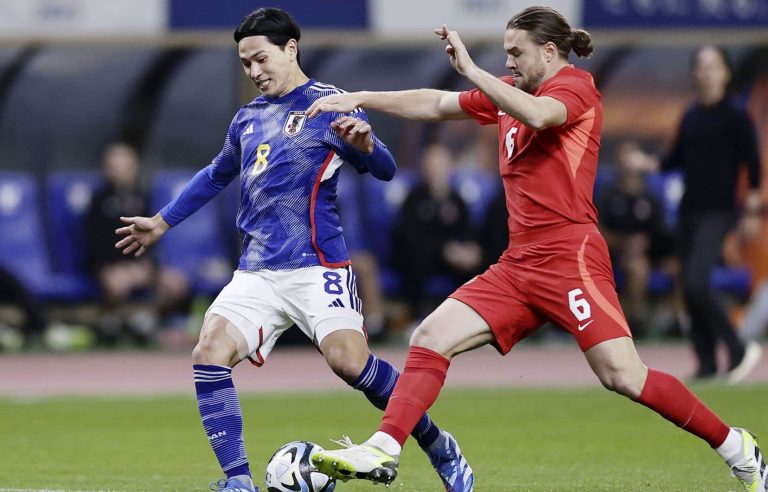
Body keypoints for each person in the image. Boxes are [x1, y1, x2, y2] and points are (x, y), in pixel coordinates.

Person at [306, 7, 766, 491]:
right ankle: (384, 447)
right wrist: (361, 97)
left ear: (549, 52)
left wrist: (474, 72)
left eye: (516, 54)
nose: (509, 64)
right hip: (518, 263)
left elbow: (541, 116)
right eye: (505, 55)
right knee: (429, 337)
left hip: (571, 258)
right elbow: (436, 103)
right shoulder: (510, 94)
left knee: (624, 376)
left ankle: (736, 446)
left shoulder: (574, 87)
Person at [115, 8, 473, 492]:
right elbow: (217, 174)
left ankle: (438, 445)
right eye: (245, 63)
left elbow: (385, 169)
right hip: (257, 272)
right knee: (208, 351)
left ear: (290, 49)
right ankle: (237, 481)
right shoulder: (248, 117)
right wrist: (161, 221)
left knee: (350, 363)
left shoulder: (330, 105)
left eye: (260, 58)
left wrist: (367, 146)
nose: (254, 71)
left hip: (317, 265)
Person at [661, 45, 763, 382]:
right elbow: (674, 159)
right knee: (687, 287)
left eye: (712, 66)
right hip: (690, 208)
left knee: (697, 280)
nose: (705, 72)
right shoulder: (691, 115)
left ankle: (737, 347)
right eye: (700, 66)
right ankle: (706, 361)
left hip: (720, 211)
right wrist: (648, 163)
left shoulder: (735, 114)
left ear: (726, 73)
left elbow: (753, 162)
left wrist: (751, 203)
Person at [86, 142, 190, 346]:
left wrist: (148, 266)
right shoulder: (98, 200)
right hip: (110, 265)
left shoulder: (142, 197)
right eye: (115, 165)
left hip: (141, 264)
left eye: (125, 165)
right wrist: (119, 266)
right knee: (117, 283)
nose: (120, 170)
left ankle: (145, 320)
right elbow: (94, 242)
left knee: (176, 284)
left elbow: (153, 236)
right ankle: (111, 322)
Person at [392, 143, 482, 321]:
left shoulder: (456, 199)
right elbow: (409, 237)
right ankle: (416, 317)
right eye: (432, 166)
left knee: (476, 265)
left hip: (451, 259)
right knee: (414, 263)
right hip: (421, 257)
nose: (437, 171)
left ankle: (471, 318)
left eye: (441, 166)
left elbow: (466, 231)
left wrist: (471, 249)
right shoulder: (414, 197)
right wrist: (444, 250)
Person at [598, 140, 676, 336]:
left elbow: (660, 232)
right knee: (637, 267)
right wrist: (624, 244)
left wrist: (649, 245)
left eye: (634, 155)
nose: (630, 161)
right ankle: (633, 320)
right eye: (626, 155)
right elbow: (597, 229)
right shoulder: (609, 193)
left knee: (680, 266)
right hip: (614, 253)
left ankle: (676, 320)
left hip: (649, 252)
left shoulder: (651, 196)